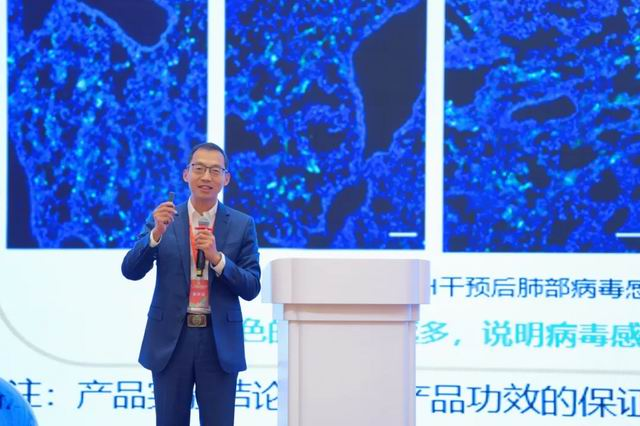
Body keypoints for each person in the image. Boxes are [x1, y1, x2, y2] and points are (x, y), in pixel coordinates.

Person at [121, 142, 261, 426]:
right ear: (186, 174)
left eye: (215, 170)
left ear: (226, 178)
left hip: (218, 343)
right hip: (171, 340)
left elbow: (251, 286)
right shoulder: (164, 218)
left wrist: (217, 258)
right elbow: (131, 270)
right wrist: (155, 236)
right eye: (199, 168)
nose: (206, 177)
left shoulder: (242, 224)